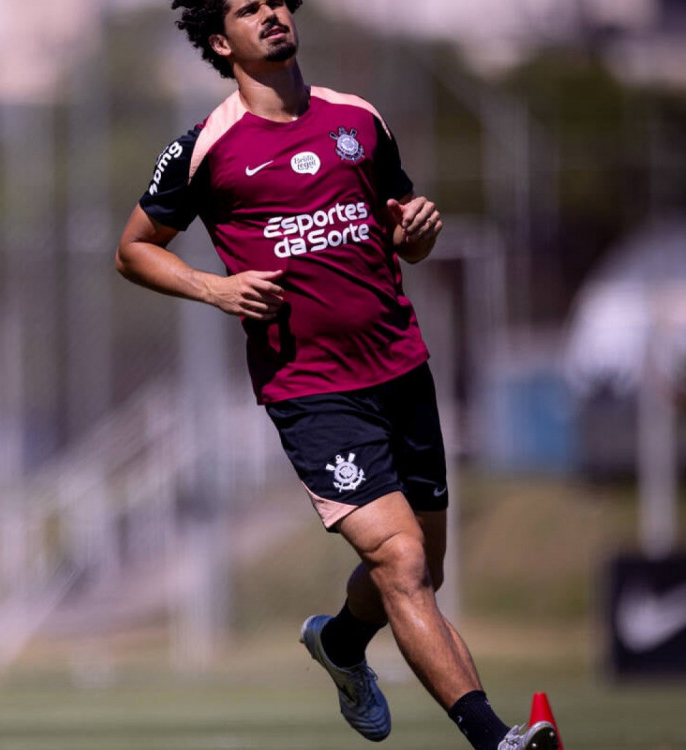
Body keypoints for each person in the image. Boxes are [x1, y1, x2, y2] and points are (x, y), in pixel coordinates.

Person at [113, 2, 558, 749]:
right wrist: (214, 289)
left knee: (423, 572)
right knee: (401, 558)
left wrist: (414, 234)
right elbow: (133, 249)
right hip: (312, 388)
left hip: (401, 368)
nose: (273, 14)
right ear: (222, 42)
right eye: (251, 10)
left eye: (278, 1)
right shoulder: (205, 147)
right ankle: (495, 738)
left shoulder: (358, 117)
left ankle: (344, 645)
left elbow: (397, 233)